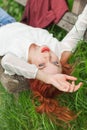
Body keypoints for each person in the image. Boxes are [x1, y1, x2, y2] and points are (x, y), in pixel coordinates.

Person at [0, 5, 87, 123]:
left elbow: (6, 61)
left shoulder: (19, 62)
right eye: (55, 62)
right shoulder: (58, 51)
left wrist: (46, 77)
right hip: (9, 22)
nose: (48, 56)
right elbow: (79, 28)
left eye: (41, 65)